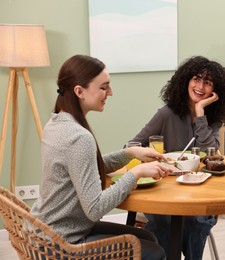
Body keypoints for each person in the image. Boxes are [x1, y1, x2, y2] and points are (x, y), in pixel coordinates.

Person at [30, 55, 175, 260]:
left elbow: (83, 169)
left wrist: (129, 153)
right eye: (104, 87)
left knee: (147, 237)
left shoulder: (56, 122)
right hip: (62, 244)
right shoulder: (79, 137)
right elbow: (94, 209)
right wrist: (135, 173)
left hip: (45, 232)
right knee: (155, 252)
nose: (110, 92)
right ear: (79, 91)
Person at [128, 55, 225, 259]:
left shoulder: (212, 119)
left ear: (214, 90)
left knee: (198, 220)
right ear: (186, 80)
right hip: (163, 190)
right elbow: (132, 146)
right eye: (196, 78)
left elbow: (211, 152)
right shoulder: (166, 114)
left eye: (207, 82)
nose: (200, 86)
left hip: (199, 190)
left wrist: (200, 112)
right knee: (163, 221)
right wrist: (149, 159)